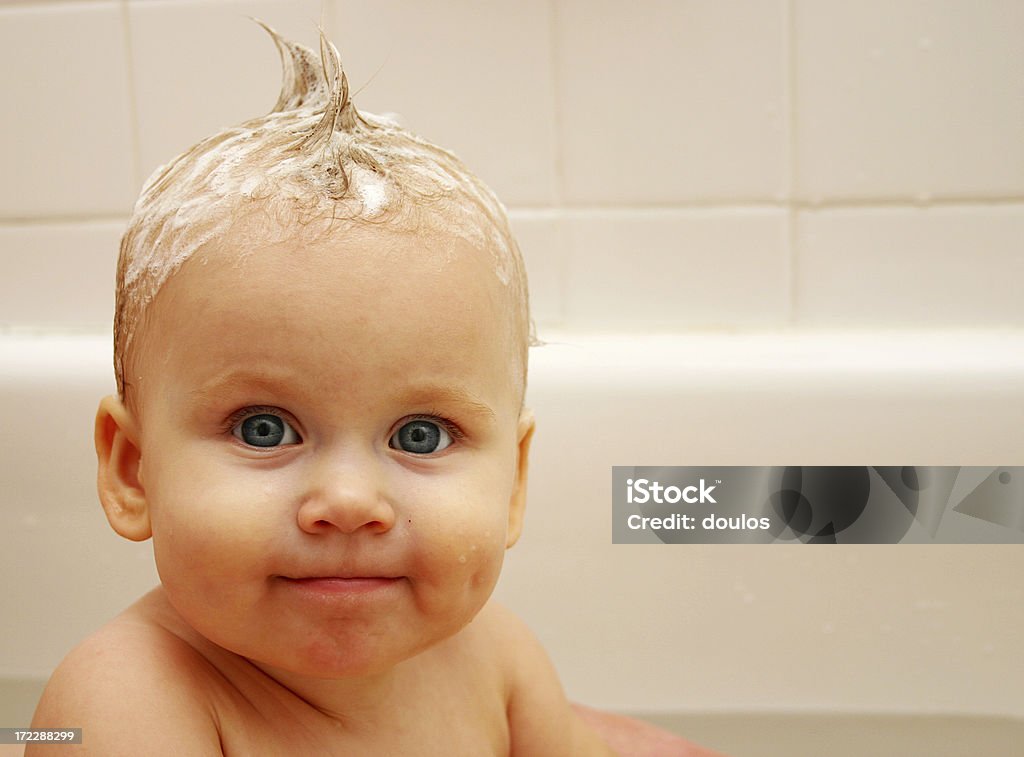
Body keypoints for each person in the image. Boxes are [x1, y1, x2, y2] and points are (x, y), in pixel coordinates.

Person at [29, 24, 722, 756]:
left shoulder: (493, 660)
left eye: (420, 434)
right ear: (133, 470)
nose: (350, 502)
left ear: (513, 482)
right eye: (264, 428)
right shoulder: (122, 705)